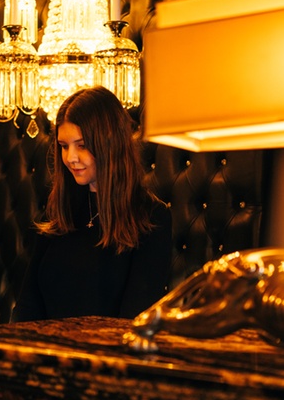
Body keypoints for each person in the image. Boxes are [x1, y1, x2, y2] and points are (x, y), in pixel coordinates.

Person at [12, 86, 172, 321]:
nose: (70, 158)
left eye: (82, 145)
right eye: (64, 146)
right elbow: (27, 304)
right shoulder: (60, 210)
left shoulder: (151, 216)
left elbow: (135, 319)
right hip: (45, 343)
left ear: (110, 144)